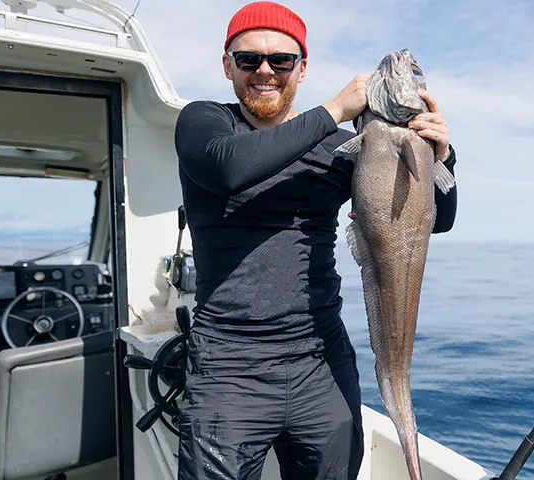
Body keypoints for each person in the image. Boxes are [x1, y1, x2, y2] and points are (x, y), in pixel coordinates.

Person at [172, 1, 459, 479]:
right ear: (228, 66)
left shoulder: (340, 150)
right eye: (249, 59)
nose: (265, 71)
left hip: (321, 361)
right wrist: (335, 109)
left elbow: (438, 220)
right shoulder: (206, 124)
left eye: (280, 60)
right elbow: (227, 170)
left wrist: (441, 158)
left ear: (300, 69)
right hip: (228, 365)